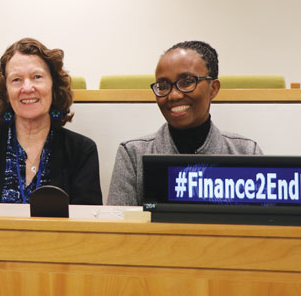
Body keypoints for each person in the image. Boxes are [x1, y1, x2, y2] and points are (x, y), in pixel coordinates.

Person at [107, 40, 262, 206]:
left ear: (213, 89)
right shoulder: (133, 155)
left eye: (187, 82)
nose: (173, 95)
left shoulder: (246, 153)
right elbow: (119, 228)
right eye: (163, 85)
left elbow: (263, 227)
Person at [0, 38, 102, 205]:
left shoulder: (81, 151)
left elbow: (89, 225)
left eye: (37, 77)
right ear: (6, 90)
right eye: (16, 80)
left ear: (53, 84)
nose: (27, 88)